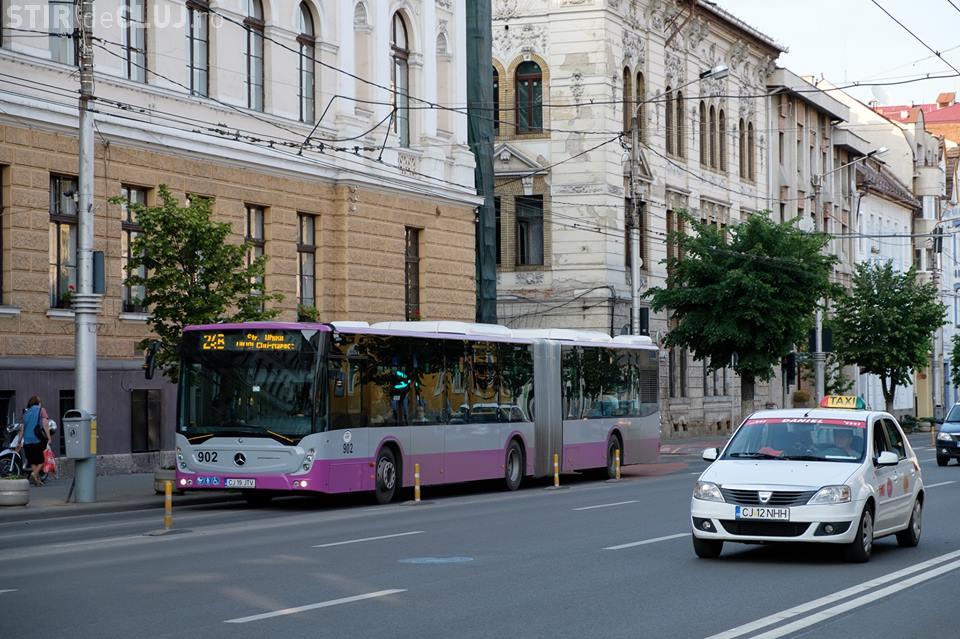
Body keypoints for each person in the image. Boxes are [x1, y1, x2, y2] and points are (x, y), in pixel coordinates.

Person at [18, 395, 50, 486]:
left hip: (27, 441)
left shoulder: (26, 413)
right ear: (38, 403)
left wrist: (19, 442)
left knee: (32, 461)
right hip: (37, 440)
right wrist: (49, 437)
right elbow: (45, 424)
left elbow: (21, 429)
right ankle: (34, 473)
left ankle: (37, 480)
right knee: (43, 460)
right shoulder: (41, 410)